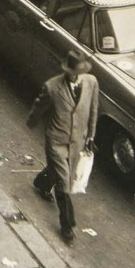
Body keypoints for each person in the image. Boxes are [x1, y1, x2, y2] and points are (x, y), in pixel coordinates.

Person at [26, 49, 99, 244]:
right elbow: (39, 106)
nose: (75, 76)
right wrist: (31, 121)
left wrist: (91, 135)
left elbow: (93, 110)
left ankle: (42, 182)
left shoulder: (91, 83)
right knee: (64, 184)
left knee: (60, 173)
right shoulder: (52, 87)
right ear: (67, 70)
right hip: (56, 141)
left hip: (78, 142)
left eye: (78, 72)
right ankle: (67, 226)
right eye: (72, 72)